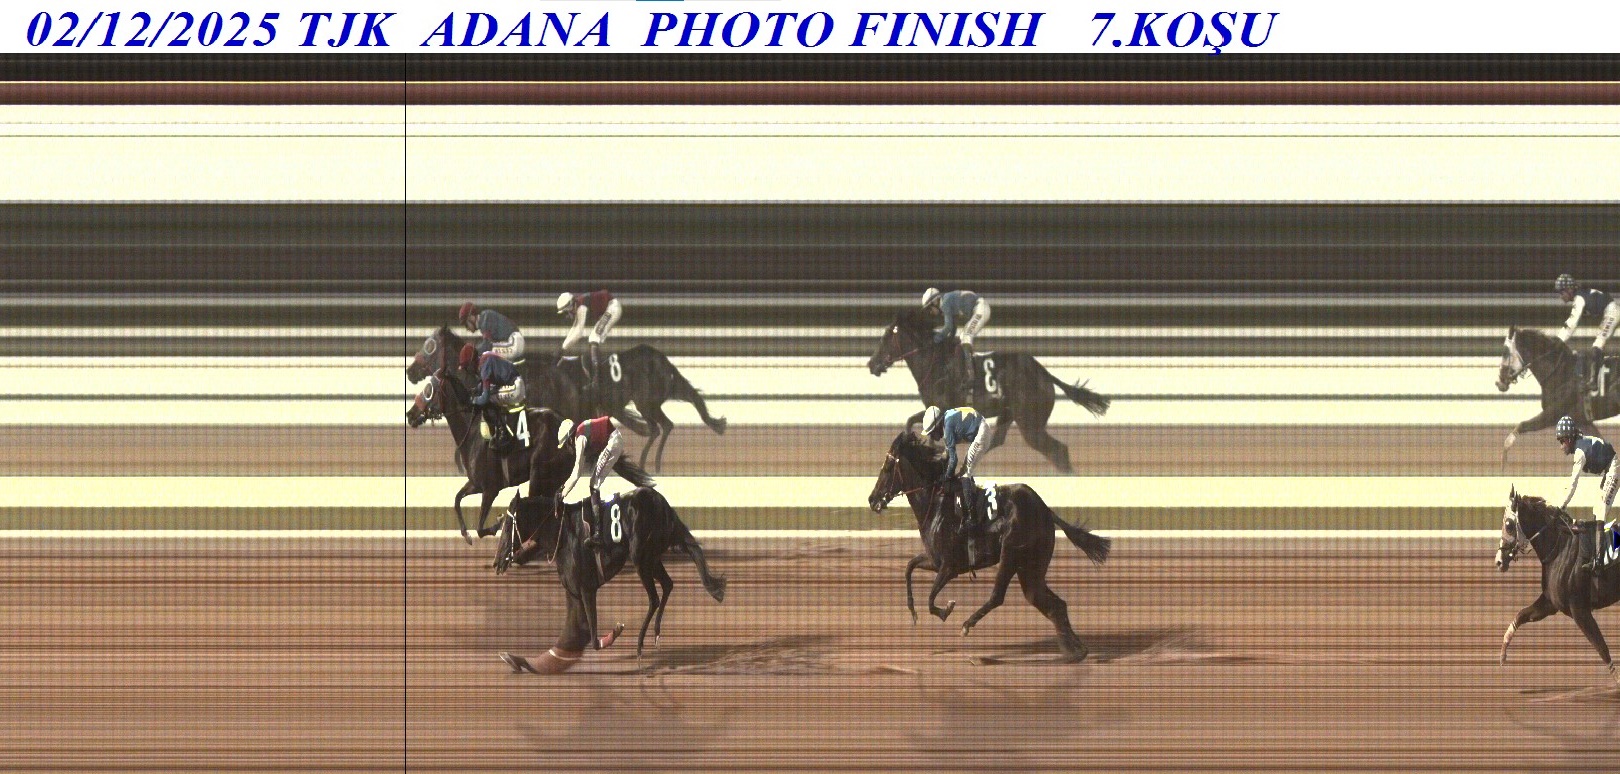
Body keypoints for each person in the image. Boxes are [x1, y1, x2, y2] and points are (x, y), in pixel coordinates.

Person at [1555, 415, 1620, 573]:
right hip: (1609, 468)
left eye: (1562, 441)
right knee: (1596, 510)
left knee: (1600, 512)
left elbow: (1572, 485)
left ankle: (1599, 561)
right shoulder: (1579, 444)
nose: (1561, 446)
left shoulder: (1579, 453)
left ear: (1569, 439)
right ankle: (1601, 551)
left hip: (1613, 468)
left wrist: (1560, 507)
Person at [555, 416, 625, 557]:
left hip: (613, 441)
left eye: (566, 445)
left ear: (569, 439)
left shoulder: (580, 439)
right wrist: (563, 488)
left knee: (594, 484)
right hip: (613, 439)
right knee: (593, 483)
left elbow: (576, 474)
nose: (568, 448)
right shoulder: (580, 434)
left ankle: (598, 533)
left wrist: (562, 494)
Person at [921, 405, 992, 537]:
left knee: (965, 474)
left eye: (931, 433)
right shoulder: (947, 420)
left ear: (937, 426)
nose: (932, 437)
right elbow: (947, 455)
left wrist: (945, 477)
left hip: (982, 433)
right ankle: (974, 501)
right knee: (963, 473)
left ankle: (972, 518)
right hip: (981, 427)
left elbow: (953, 460)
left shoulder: (947, 428)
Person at [921, 288, 991, 402]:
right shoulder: (948, 302)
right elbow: (952, 329)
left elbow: (948, 327)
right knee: (963, 336)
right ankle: (970, 367)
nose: (930, 312)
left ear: (935, 302)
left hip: (980, 308)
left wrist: (934, 339)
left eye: (929, 308)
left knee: (966, 336)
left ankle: (970, 374)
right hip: (979, 307)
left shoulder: (945, 303)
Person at [1555, 275, 1618, 394]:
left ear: (1569, 290)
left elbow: (1571, 323)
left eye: (1561, 292)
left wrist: (1558, 341)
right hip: (1610, 311)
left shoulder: (1579, 299)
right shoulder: (1581, 295)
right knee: (1597, 345)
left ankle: (1594, 382)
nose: (1560, 296)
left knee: (1597, 345)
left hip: (1612, 312)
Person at [462, 345, 526, 451]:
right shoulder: (484, 358)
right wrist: (475, 391)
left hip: (515, 388)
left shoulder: (484, 366)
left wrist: (473, 400)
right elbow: (485, 384)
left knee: (489, 399)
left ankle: (503, 433)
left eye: (466, 368)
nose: (468, 371)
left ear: (471, 363)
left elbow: (485, 397)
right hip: (513, 383)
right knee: (489, 396)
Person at [556, 290, 621, 388]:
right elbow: (574, 329)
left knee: (594, 337)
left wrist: (562, 349)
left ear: (570, 306)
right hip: (610, 307)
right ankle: (596, 376)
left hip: (613, 308)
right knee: (593, 339)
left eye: (566, 312)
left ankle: (597, 378)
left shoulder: (581, 307)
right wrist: (562, 347)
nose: (567, 315)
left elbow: (578, 332)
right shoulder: (578, 304)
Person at [458, 302, 525, 362]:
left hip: (514, 342)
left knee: (487, 353)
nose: (467, 329)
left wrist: (470, 352)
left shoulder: (485, 318)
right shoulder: (484, 320)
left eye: (465, 324)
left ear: (471, 317)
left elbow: (487, 345)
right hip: (514, 342)